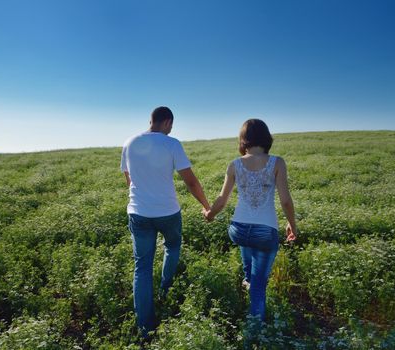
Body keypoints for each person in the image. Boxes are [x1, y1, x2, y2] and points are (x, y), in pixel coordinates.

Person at [120, 106, 211, 337]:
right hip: (168, 213)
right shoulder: (172, 144)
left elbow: (128, 178)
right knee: (172, 246)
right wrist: (206, 205)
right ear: (167, 122)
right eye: (172, 125)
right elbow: (190, 182)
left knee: (141, 267)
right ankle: (166, 288)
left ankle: (145, 327)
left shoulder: (129, 142)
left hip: (138, 213)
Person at [203, 118, 296, 322]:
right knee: (259, 287)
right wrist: (292, 225)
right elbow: (286, 202)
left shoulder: (235, 164)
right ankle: (255, 330)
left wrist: (210, 214)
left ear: (243, 139)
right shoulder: (277, 162)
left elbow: (222, 200)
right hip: (264, 232)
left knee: (248, 242)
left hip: (238, 230)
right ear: (266, 137)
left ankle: (247, 278)